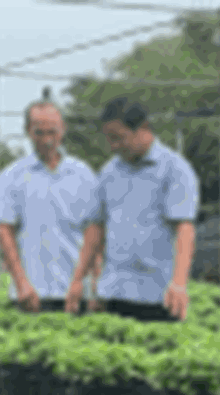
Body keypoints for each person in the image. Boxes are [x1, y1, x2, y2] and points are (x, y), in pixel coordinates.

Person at [65, 97, 199, 322]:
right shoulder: (109, 173)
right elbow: (95, 228)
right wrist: (78, 279)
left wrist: (179, 284)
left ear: (143, 129)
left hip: (159, 296)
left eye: (119, 138)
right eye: (109, 140)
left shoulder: (175, 170)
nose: (114, 146)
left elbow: (185, 228)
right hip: (114, 293)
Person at [0, 101, 102, 313]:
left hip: (76, 292)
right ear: (28, 132)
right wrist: (21, 283)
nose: (47, 140)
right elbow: (4, 232)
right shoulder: (12, 176)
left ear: (63, 129)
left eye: (53, 132)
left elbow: (94, 230)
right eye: (40, 133)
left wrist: (96, 280)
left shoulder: (83, 174)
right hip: (31, 293)